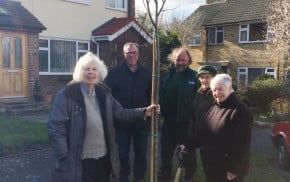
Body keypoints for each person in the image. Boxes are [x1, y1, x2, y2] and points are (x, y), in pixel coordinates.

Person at [47, 52, 158, 182]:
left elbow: (120, 112)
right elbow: (55, 126)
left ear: (99, 73)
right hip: (80, 159)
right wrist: (63, 154)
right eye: (86, 69)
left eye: (94, 69)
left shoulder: (103, 93)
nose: (91, 73)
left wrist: (144, 112)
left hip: (103, 157)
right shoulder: (67, 95)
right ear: (79, 72)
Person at [182, 74, 253, 182]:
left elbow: (242, 143)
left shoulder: (240, 111)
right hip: (212, 164)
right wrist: (188, 146)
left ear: (230, 89)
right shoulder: (214, 107)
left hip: (228, 169)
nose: (217, 93)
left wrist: (233, 169)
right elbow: (204, 133)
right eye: (214, 90)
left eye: (220, 89)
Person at [105, 42, 152, 182]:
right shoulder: (113, 74)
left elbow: (152, 96)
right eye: (128, 53)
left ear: (138, 54)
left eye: (134, 52)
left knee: (141, 153)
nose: (131, 55)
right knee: (122, 153)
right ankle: (123, 176)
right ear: (123, 55)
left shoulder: (147, 74)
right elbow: (108, 97)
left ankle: (139, 178)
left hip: (141, 123)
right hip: (121, 123)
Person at [159, 48, 200, 182]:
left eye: (183, 60)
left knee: (188, 152)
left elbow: (199, 100)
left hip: (186, 122)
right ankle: (165, 176)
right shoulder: (167, 76)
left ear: (188, 61)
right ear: (173, 60)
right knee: (166, 152)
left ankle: (189, 176)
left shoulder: (194, 77)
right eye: (178, 59)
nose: (180, 62)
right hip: (169, 122)